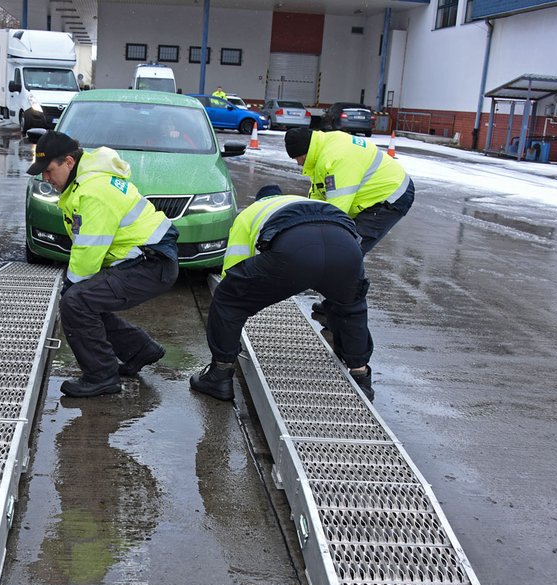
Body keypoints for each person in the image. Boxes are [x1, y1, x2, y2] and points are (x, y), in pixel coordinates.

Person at [28, 130, 179, 398]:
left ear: (69, 163)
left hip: (152, 263)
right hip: (148, 258)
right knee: (85, 300)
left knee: (76, 302)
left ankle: (102, 376)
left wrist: (69, 288)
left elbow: (89, 249)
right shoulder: (85, 182)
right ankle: (140, 350)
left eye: (49, 171)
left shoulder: (93, 190)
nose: (46, 179)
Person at [190, 185, 375, 402]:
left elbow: (235, 269)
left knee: (228, 300)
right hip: (347, 249)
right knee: (350, 308)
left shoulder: (253, 211)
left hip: (294, 250)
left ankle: (219, 375)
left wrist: (240, 294)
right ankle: (361, 377)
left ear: (259, 199)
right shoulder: (306, 201)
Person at [284, 126, 415, 322]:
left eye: (297, 158)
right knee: (339, 250)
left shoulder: (336, 159)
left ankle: (347, 312)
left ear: (304, 152)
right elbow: (320, 196)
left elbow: (336, 212)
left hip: (390, 198)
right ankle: (334, 305)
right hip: (374, 199)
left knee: (347, 251)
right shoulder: (322, 151)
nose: (297, 163)